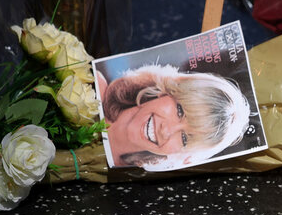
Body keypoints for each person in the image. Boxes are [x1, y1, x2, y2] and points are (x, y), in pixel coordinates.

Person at [97, 64, 251, 170]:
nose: (166, 130)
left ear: (181, 153)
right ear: (166, 91)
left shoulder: (122, 183)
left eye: (184, 138)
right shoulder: (90, 86)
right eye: (180, 111)